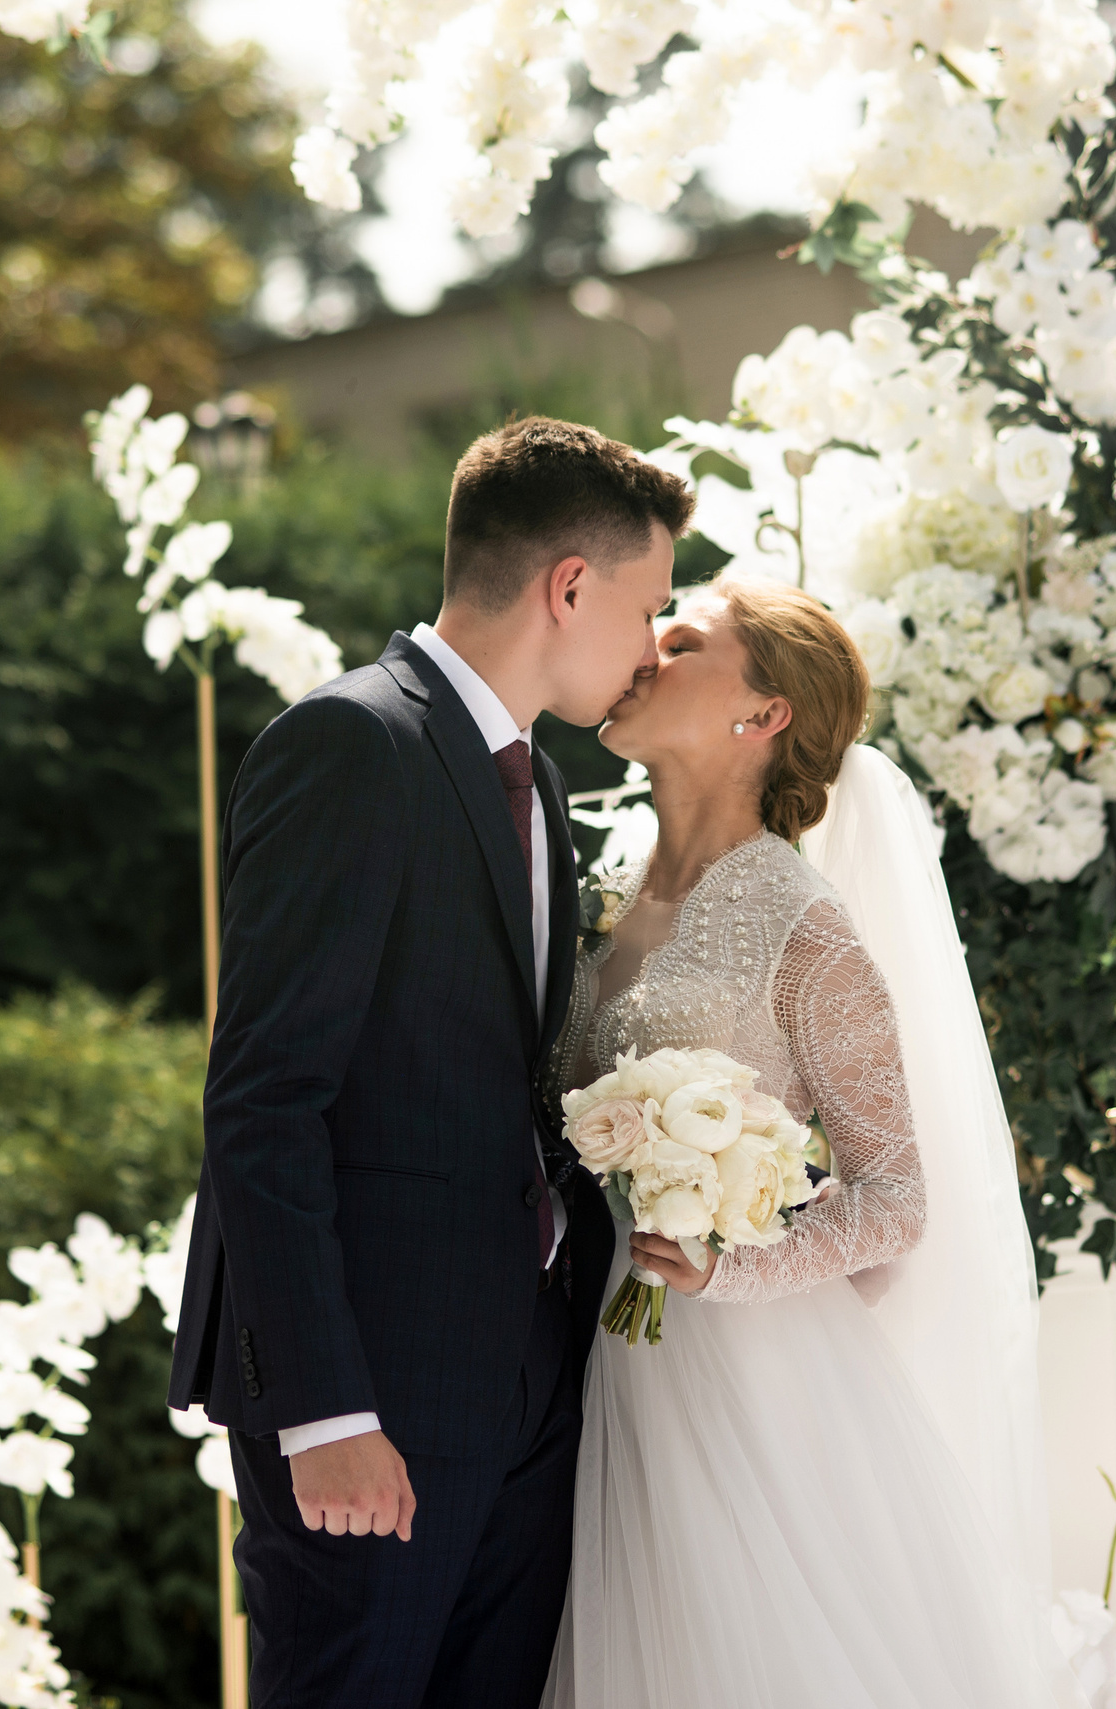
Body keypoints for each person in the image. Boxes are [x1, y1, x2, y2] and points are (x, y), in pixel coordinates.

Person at [166, 417, 693, 1709]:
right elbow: (265, 1099)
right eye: (647, 607)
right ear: (570, 585)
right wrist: (324, 1411)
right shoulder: (353, 742)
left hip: (525, 1394)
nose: (646, 647)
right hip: (374, 1404)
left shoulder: (542, 793)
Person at [538, 576, 1063, 1708]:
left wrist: (734, 1263)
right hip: (590, 1355)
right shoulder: (599, 890)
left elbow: (895, 1195)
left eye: (679, 641)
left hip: (741, 1377)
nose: (644, 650)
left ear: (761, 714)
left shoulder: (801, 922)